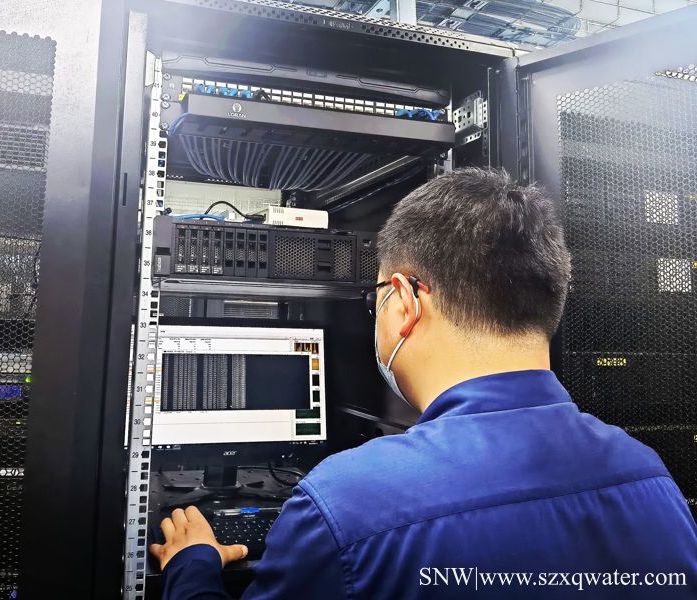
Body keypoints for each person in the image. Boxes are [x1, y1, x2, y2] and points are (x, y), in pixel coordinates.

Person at [150, 168, 697, 599]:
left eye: (377, 299)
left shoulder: (346, 505)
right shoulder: (651, 480)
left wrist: (191, 566)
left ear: (407, 302)